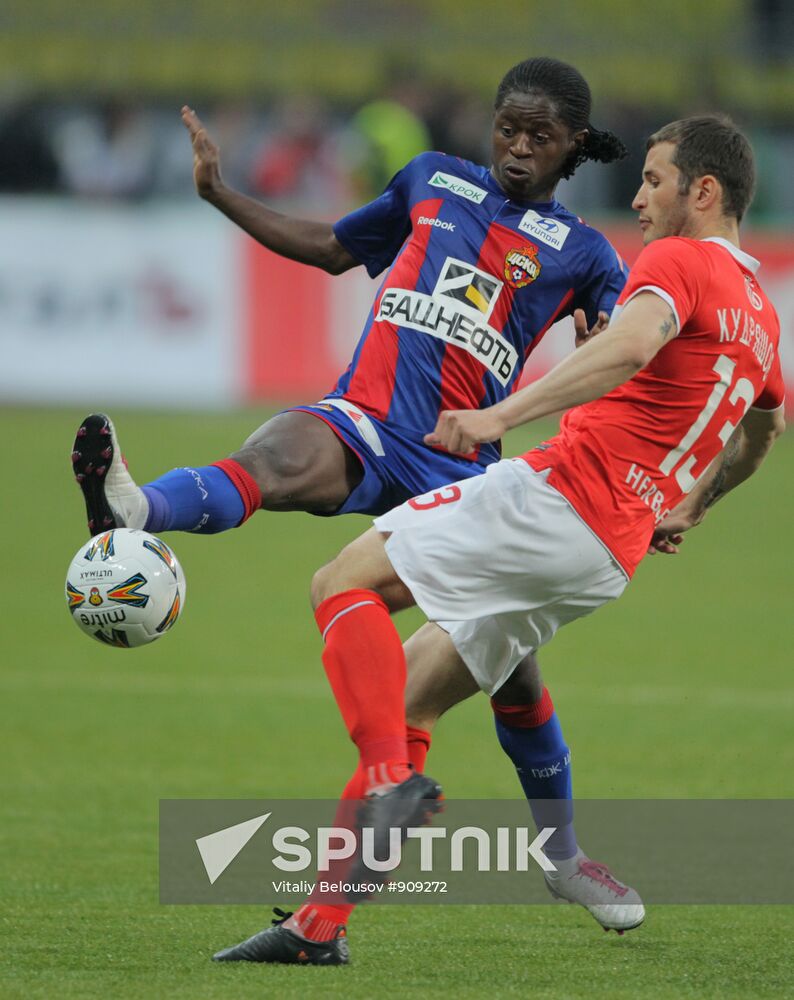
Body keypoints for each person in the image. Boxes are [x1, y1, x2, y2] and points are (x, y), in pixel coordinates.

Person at [72, 58, 636, 930]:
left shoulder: (586, 253)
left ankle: (562, 857)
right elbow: (337, 249)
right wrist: (220, 194)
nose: (519, 149)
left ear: (572, 148)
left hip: (461, 467)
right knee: (275, 454)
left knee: (513, 680)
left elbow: (620, 355)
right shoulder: (430, 180)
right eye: (508, 129)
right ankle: (138, 512)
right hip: (369, 419)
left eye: (541, 137)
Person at [210, 113, 784, 965]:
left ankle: (389, 785)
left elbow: (629, 345)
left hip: (558, 499)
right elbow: (764, 425)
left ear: (704, 191)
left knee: (342, 584)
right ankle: (318, 929)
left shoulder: (678, 262)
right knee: (404, 700)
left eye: (655, 181)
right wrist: (695, 502)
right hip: (605, 555)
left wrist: (498, 414)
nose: (638, 197)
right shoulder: (762, 314)